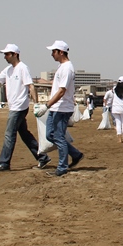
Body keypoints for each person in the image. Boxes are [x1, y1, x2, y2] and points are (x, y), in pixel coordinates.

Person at [0, 43, 50, 172]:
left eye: (7, 54)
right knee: (24, 134)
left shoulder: (22, 68)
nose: (5, 57)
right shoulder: (8, 70)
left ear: (15, 54)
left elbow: (31, 86)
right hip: (14, 106)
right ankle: (42, 157)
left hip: (20, 107)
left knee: (9, 134)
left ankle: (4, 163)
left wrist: (36, 104)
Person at [35, 40, 84, 177]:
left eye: (53, 51)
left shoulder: (67, 68)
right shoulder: (62, 67)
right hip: (57, 107)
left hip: (62, 108)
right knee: (50, 135)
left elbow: (62, 91)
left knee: (58, 137)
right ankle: (75, 154)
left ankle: (62, 167)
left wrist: (47, 105)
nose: (52, 54)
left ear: (61, 52)